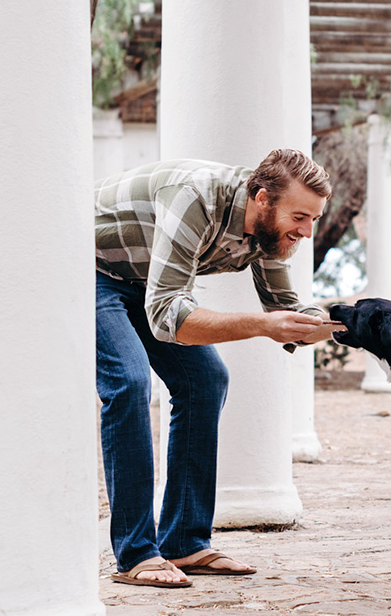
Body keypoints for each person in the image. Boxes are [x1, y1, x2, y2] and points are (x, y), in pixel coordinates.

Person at [95, 149, 338, 588]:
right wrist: (264, 327)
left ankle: (185, 543)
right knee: (130, 383)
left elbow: (283, 308)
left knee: (206, 380)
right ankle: (135, 554)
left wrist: (343, 324)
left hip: (145, 281)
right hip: (91, 270)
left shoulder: (269, 233)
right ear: (263, 199)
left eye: (313, 220)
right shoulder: (195, 198)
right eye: (300, 217)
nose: (305, 231)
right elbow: (169, 315)